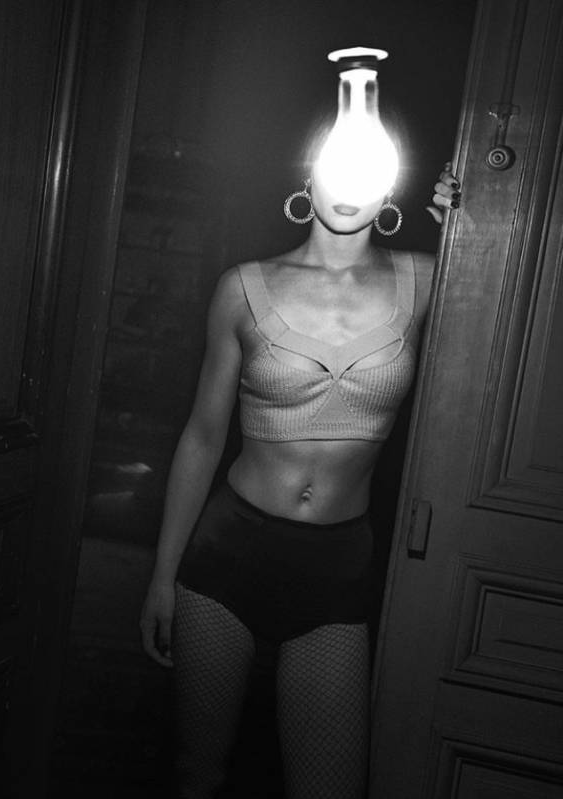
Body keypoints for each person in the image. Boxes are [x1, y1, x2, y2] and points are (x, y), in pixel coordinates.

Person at [139, 146, 461, 798]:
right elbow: (203, 436)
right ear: (308, 175)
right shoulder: (243, 287)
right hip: (228, 554)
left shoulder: (428, 280)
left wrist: (467, 228)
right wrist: (162, 577)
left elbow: (516, 294)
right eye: (335, 165)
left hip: (337, 567)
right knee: (197, 776)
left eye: (367, 169)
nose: (348, 186)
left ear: (391, 186)